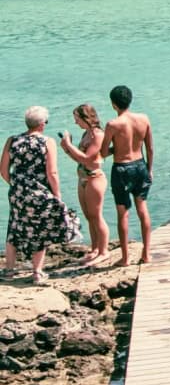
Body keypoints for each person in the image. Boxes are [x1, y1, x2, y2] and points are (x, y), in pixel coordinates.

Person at [3, 108, 77, 285]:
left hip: (18, 192)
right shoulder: (47, 142)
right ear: (42, 124)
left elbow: (4, 170)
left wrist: (17, 186)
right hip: (40, 192)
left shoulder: (12, 140)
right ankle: (37, 272)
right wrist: (57, 195)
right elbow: (52, 172)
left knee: (14, 226)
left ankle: (9, 270)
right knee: (40, 229)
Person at [101, 86, 154, 265]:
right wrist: (150, 169)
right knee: (142, 209)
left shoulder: (113, 125)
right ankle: (146, 254)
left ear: (113, 104)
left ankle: (125, 258)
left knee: (123, 214)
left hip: (122, 168)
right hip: (141, 165)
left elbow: (102, 152)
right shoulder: (144, 119)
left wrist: (118, 147)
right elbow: (150, 148)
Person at [58, 104, 110, 265]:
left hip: (95, 178)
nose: (76, 123)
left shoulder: (98, 135)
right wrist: (67, 149)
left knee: (97, 216)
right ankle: (95, 249)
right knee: (89, 217)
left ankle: (104, 251)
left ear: (86, 118)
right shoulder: (86, 134)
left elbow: (88, 158)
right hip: (82, 179)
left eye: (77, 119)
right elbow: (79, 160)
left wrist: (70, 145)